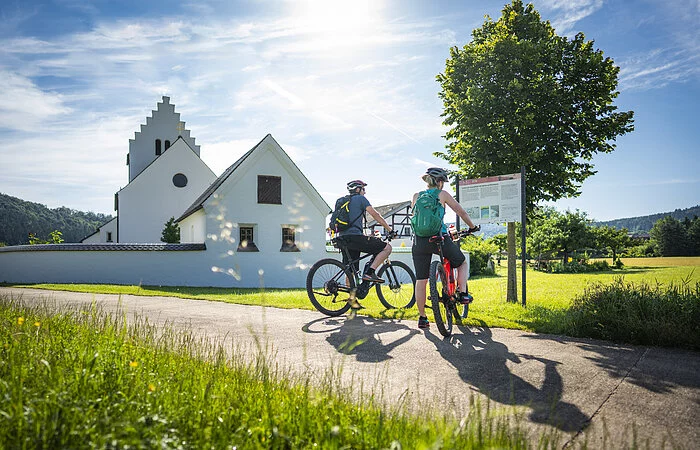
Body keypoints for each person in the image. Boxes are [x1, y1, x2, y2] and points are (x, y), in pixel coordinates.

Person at [411, 167, 478, 329]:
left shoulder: (416, 196)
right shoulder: (443, 194)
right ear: (440, 182)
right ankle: (462, 294)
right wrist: (472, 227)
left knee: (421, 280)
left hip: (419, 242)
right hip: (438, 239)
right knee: (461, 262)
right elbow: (461, 212)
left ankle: (422, 318)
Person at [336, 180, 396, 307]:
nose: (365, 192)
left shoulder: (342, 201)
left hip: (343, 238)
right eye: (363, 189)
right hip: (355, 237)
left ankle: (352, 301)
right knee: (386, 248)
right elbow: (375, 214)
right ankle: (369, 272)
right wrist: (390, 229)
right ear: (358, 190)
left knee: (350, 270)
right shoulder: (361, 199)